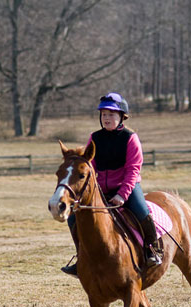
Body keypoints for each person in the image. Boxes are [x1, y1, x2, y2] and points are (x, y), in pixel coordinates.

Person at [61, 92, 163, 276]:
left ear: (121, 116)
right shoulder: (95, 137)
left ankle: (152, 250)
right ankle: (81, 256)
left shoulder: (130, 138)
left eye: (111, 114)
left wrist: (122, 195)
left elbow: (133, 170)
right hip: (100, 190)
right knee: (72, 217)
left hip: (126, 188)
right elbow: (89, 167)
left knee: (142, 211)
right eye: (104, 115)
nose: (106, 118)